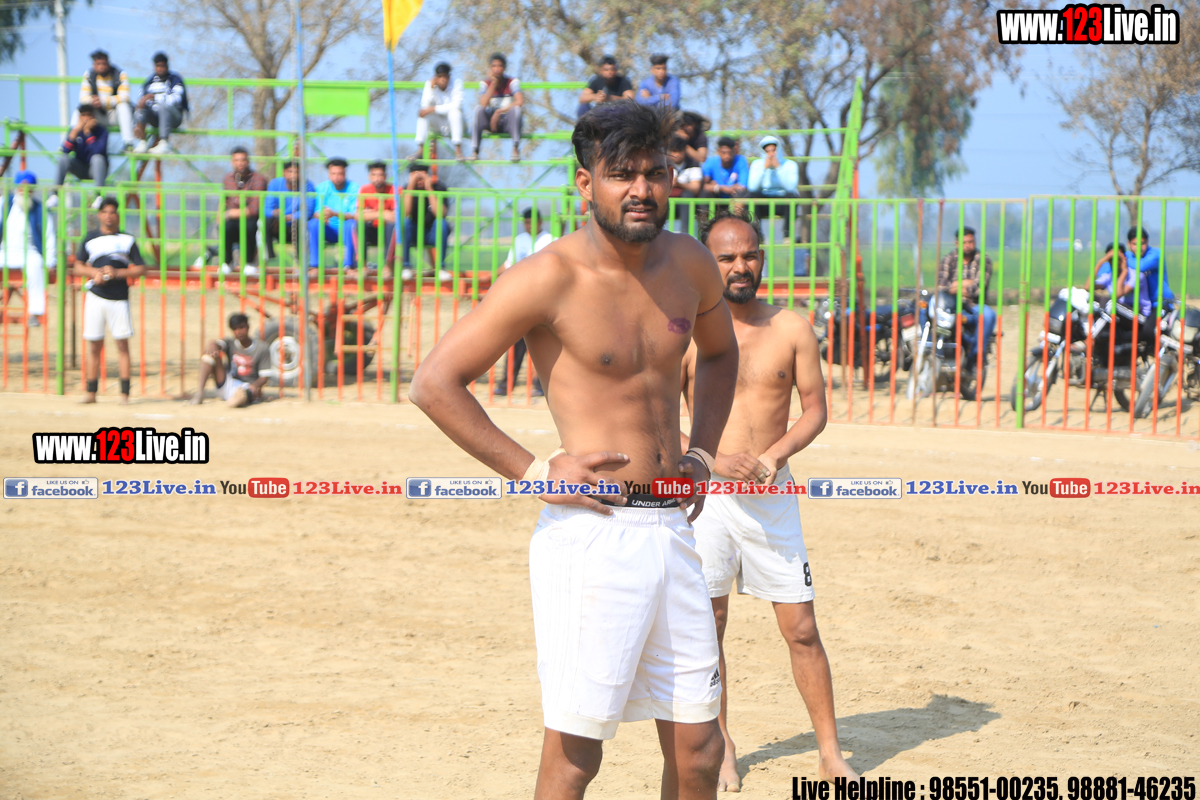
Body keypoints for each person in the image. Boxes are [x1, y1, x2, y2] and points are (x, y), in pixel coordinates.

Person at [409, 100, 739, 800]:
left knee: (701, 750)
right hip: (594, 535)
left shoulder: (690, 263)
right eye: (622, 175)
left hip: (675, 528)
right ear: (586, 183)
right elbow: (434, 383)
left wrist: (704, 455)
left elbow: (719, 355)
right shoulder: (547, 276)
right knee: (577, 755)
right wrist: (533, 470)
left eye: (655, 173)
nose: (642, 190)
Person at [681, 207, 858, 792]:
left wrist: (774, 456)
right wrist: (708, 458)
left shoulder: (792, 328)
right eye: (726, 257)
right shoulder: (685, 332)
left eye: (749, 254)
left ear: (762, 258)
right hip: (707, 500)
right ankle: (722, 746)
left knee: (801, 628)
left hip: (772, 498)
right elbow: (654, 420)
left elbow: (815, 410)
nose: (740, 266)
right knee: (709, 626)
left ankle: (829, 753)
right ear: (706, 262)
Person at [73, 197, 146, 405]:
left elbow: (141, 268)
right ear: (99, 215)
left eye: (112, 212)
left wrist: (117, 273)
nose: (108, 216)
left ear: (118, 215)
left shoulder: (127, 239)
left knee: (122, 345)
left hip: (119, 298)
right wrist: (94, 273)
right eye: (105, 212)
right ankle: (91, 392)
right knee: (94, 345)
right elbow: (78, 266)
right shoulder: (90, 238)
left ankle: (124, 394)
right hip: (95, 296)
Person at [495, 207, 557, 397]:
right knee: (516, 342)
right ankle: (506, 384)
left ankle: (540, 385)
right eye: (526, 222)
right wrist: (488, 279)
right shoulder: (520, 240)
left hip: (543, 299)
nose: (529, 225)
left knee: (543, 343)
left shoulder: (551, 240)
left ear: (540, 222)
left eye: (532, 221)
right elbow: (508, 265)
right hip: (522, 299)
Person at [1, 171, 56, 327]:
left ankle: (35, 313)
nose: (24, 191)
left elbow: (49, 235)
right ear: (16, 187)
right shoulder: (4, 204)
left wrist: (50, 260)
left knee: (37, 265)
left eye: (28, 188)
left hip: (30, 252)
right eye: (21, 187)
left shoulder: (40, 209)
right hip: (4, 252)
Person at [935, 225, 996, 358]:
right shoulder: (948, 259)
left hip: (973, 305)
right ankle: (932, 352)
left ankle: (976, 356)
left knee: (988, 315)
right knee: (925, 312)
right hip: (950, 304)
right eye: (964, 243)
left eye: (971, 242)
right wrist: (967, 283)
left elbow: (978, 289)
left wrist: (954, 286)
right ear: (957, 243)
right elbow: (942, 287)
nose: (968, 246)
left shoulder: (983, 260)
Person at [190, 312, 272, 407]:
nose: (238, 332)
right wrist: (212, 343)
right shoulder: (230, 342)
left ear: (248, 327)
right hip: (228, 383)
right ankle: (200, 392)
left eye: (241, 327)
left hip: (247, 386)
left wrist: (254, 386)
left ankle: (237, 399)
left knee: (240, 397)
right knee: (209, 353)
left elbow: (264, 377)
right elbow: (218, 344)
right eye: (235, 329)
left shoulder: (262, 348)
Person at [308, 157, 361, 275]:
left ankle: (348, 266)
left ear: (345, 173)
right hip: (328, 229)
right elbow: (315, 212)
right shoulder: (321, 188)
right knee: (313, 223)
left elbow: (355, 214)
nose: (336, 177)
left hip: (346, 230)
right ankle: (315, 265)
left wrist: (334, 214)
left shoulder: (354, 188)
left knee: (351, 224)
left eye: (340, 174)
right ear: (328, 174)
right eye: (333, 174)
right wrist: (322, 216)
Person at [397, 162, 450, 281]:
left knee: (441, 223)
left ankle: (440, 267)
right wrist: (410, 187)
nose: (419, 180)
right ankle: (406, 266)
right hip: (413, 232)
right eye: (416, 177)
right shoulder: (406, 189)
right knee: (405, 222)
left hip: (432, 232)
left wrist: (429, 189)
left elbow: (441, 214)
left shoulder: (439, 188)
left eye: (422, 176)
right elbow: (405, 212)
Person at [221, 147, 269, 276]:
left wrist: (231, 213)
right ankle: (227, 262)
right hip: (233, 219)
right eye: (237, 160)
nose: (240, 163)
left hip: (251, 218)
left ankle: (249, 262)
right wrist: (222, 215)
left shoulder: (258, 179)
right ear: (232, 162)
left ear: (248, 161)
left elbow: (253, 209)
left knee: (249, 226)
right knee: (226, 226)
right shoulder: (228, 178)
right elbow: (225, 201)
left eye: (243, 160)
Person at [74, 49, 133, 150]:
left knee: (123, 106)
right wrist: (92, 101)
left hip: (114, 115)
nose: (101, 66)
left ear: (108, 63)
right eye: (98, 64)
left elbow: (125, 97)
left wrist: (104, 101)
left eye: (104, 63)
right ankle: (72, 141)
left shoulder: (120, 74)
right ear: (94, 65)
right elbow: (82, 98)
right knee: (78, 110)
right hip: (95, 117)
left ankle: (128, 143)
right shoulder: (89, 75)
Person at [51, 104, 108, 206]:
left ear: (94, 116)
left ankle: (99, 196)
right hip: (80, 168)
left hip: (96, 170)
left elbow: (98, 151)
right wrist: (74, 132)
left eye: (89, 115)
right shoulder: (75, 130)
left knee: (97, 158)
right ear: (79, 117)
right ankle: (55, 195)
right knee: (63, 159)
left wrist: (88, 133)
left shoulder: (101, 131)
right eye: (83, 115)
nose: (86, 118)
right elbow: (65, 151)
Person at [132, 52, 187, 154]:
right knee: (140, 109)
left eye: (162, 66)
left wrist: (154, 97)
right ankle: (142, 142)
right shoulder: (149, 82)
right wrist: (136, 123)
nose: (160, 69)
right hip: (155, 117)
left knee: (164, 106)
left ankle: (164, 142)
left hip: (173, 117)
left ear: (167, 66)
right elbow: (141, 100)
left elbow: (176, 100)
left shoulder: (175, 80)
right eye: (158, 66)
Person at [747, 135, 800, 241]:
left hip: (782, 202)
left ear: (778, 150)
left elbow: (790, 187)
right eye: (767, 151)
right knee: (751, 197)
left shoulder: (790, 165)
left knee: (793, 197)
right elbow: (752, 187)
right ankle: (757, 235)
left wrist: (778, 168)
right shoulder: (757, 164)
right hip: (764, 202)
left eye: (773, 150)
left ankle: (787, 234)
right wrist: (764, 169)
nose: (771, 154)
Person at [472, 53, 523, 162]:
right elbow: (483, 104)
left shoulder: (512, 82)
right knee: (478, 110)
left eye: (500, 66)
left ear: (504, 68)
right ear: (490, 68)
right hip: (491, 123)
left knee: (516, 110)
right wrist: (493, 84)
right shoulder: (485, 83)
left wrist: (499, 111)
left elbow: (519, 101)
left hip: (507, 122)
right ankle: (475, 150)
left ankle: (515, 148)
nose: (497, 69)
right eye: (494, 66)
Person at [263, 159, 316, 261]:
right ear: (284, 172)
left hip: (296, 226)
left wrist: (290, 217)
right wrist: (275, 213)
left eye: (296, 172)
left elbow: (308, 212)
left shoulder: (308, 186)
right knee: (265, 222)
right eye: (290, 172)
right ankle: (268, 257)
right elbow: (266, 209)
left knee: (302, 224)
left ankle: (301, 261)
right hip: (278, 225)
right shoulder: (274, 184)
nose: (293, 175)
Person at [414, 62, 465, 161]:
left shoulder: (457, 83)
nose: (442, 79)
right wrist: (432, 90)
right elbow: (425, 106)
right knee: (423, 115)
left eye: (445, 76)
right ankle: (420, 150)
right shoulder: (429, 84)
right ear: (436, 77)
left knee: (455, 112)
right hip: (437, 124)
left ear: (449, 77)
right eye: (440, 76)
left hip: (454, 124)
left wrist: (434, 109)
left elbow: (457, 105)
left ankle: (458, 150)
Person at [1125, 226, 1174, 314]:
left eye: (1142, 243)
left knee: (1149, 324)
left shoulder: (1156, 253)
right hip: (1141, 305)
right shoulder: (1128, 256)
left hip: (1160, 303)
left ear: (1147, 241)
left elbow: (1142, 266)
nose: (1139, 247)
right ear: (1129, 244)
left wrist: (1123, 259)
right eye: (1135, 244)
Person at [358, 161, 397, 267]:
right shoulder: (364, 190)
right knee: (357, 225)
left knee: (393, 226)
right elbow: (358, 215)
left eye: (380, 175)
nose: (377, 178)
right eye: (374, 175)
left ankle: (388, 266)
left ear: (385, 176)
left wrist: (370, 213)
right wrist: (381, 214)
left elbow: (395, 216)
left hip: (387, 230)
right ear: (369, 176)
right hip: (372, 230)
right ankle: (362, 265)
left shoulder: (394, 190)